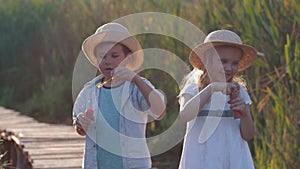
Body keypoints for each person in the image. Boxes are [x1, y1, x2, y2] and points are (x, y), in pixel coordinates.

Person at [72, 22, 166, 169]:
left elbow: (159, 111)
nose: (108, 61)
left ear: (128, 58)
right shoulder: (89, 91)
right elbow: (80, 128)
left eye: (114, 56)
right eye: (103, 56)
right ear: (97, 61)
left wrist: (136, 78)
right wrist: (81, 124)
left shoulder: (136, 87)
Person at [178, 30, 257, 169]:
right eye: (223, 61)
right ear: (206, 61)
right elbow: (186, 114)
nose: (229, 68)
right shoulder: (194, 90)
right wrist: (212, 88)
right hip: (202, 160)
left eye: (234, 63)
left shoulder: (238, 92)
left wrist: (244, 114)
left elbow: (248, 135)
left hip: (233, 159)